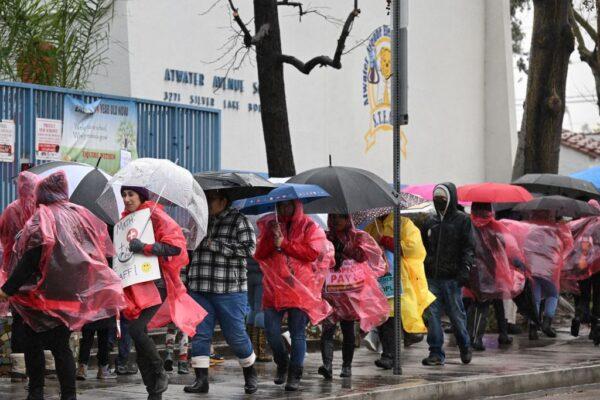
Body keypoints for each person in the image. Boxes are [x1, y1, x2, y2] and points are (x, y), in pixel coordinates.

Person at [0, 171, 125, 400]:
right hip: (69, 297)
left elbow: (31, 258)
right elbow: (93, 252)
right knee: (61, 347)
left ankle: (36, 391)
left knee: (33, 344)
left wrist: (7, 289)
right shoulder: (79, 215)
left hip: (41, 297)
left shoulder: (42, 218)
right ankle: (69, 395)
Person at [120, 186, 206, 400]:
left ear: (141, 196)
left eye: (131, 194)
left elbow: (175, 247)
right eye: (124, 194)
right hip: (133, 285)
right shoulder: (125, 221)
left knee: (138, 331)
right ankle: (154, 392)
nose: (127, 198)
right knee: (140, 341)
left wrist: (145, 247)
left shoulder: (156, 215)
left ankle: (159, 372)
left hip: (156, 284)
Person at [183, 189, 258, 395]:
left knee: (236, 336)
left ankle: (250, 374)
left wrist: (215, 245)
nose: (206, 203)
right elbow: (190, 247)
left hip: (229, 290)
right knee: (200, 335)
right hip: (199, 287)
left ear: (224, 200)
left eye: (211, 199)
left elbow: (249, 249)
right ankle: (201, 380)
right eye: (204, 199)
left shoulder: (239, 221)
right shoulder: (199, 220)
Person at [254, 200, 334, 391]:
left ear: (296, 205)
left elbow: (312, 253)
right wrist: (270, 240)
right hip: (274, 287)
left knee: (297, 334)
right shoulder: (271, 225)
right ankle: (282, 363)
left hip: (300, 289)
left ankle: (294, 374)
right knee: (272, 332)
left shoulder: (309, 226)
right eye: (280, 206)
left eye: (288, 205)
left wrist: (285, 244)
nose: (284, 209)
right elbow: (260, 254)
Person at [318, 214, 389, 379]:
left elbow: (364, 256)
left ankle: (346, 367)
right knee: (327, 328)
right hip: (330, 292)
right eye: (333, 217)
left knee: (347, 329)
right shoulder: (325, 236)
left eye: (341, 217)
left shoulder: (358, 236)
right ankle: (327, 366)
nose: (337, 221)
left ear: (347, 219)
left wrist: (344, 249)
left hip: (350, 293)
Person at [364, 213, 435, 369]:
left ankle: (390, 355)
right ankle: (391, 351)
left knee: (392, 315)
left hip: (399, 279)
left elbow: (415, 248)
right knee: (383, 317)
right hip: (378, 278)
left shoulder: (403, 224)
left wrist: (393, 243)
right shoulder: (372, 226)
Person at [420, 183, 474, 366]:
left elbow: (469, 247)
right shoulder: (430, 222)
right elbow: (424, 248)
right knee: (432, 315)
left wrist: (465, 269)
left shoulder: (462, 221)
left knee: (456, 315)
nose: (439, 202)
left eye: (442, 199)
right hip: (432, 277)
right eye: (436, 199)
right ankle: (435, 352)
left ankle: (465, 345)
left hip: (452, 277)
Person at [0, 171, 40, 382]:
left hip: (16, 272)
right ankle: (46, 366)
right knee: (40, 319)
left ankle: (18, 368)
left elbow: (4, 237)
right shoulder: (42, 210)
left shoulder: (10, 210)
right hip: (39, 274)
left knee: (18, 320)